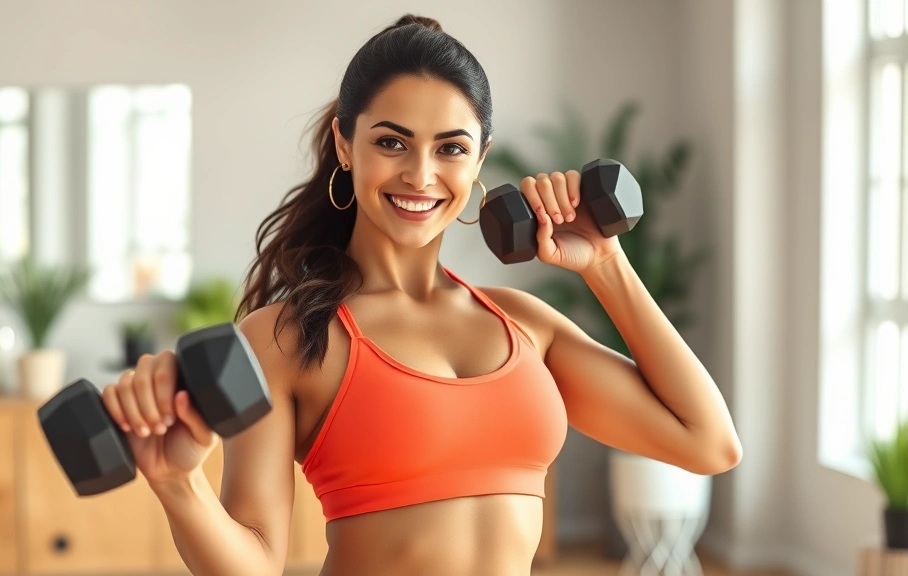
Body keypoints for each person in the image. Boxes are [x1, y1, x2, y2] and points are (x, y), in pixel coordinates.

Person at [99, 14, 742, 576]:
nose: (421, 174)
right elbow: (254, 565)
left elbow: (709, 443)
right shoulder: (286, 338)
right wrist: (177, 483)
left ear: (479, 160)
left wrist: (605, 262)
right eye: (391, 142)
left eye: (451, 148)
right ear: (345, 145)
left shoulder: (522, 324)